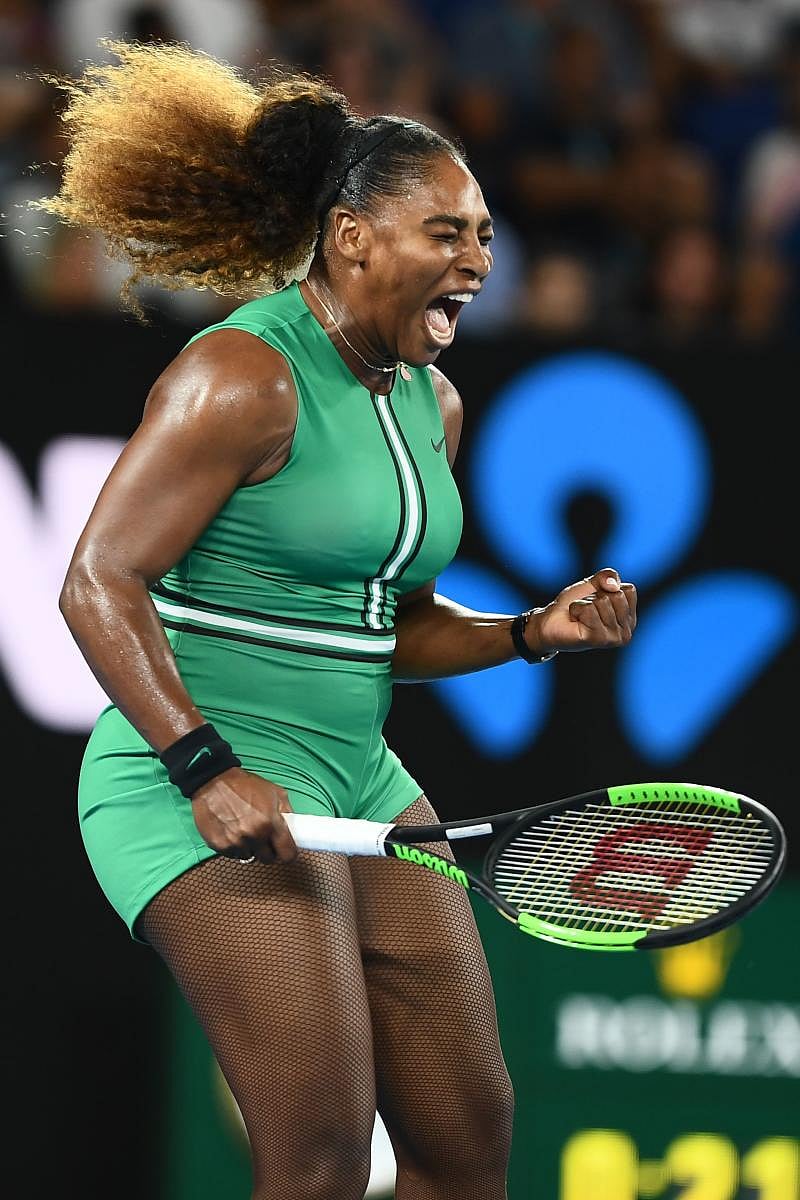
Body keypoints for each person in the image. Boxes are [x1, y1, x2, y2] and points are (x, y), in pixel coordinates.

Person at [42, 40, 638, 1200]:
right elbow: (96, 582)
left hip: (358, 779)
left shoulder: (431, 399)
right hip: (188, 778)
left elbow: (388, 627)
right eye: (446, 233)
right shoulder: (241, 377)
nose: (476, 258)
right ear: (351, 236)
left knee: (465, 1155)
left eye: (481, 235)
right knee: (316, 1161)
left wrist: (527, 631)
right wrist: (205, 767)